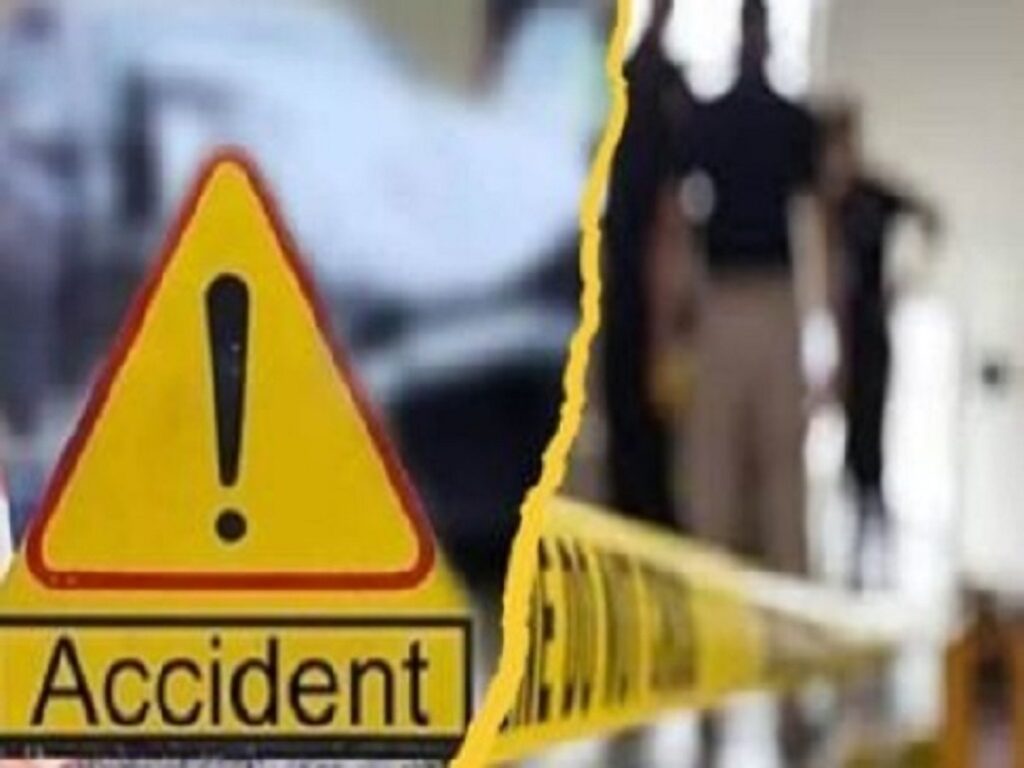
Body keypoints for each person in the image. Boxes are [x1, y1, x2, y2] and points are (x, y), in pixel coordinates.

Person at [650, 0, 827, 763]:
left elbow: (676, 227)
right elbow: (813, 231)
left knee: (731, 509)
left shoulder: (729, 120)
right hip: (754, 308)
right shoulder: (777, 121)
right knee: (760, 509)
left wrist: (669, 329)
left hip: (736, 309)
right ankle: (759, 703)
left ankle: (740, 702)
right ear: (767, 39)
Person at [819, 101, 941, 590]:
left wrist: (907, 281)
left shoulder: (874, 195)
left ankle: (876, 554)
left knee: (870, 447)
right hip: (846, 337)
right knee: (852, 449)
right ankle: (855, 554)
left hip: (872, 335)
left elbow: (929, 218)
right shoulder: (830, 203)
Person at [603, 0, 691, 530]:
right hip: (624, 255)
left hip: (648, 256)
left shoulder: (668, 85)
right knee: (628, 398)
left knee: (650, 407)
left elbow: (675, 196)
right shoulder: (624, 77)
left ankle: (647, 506)